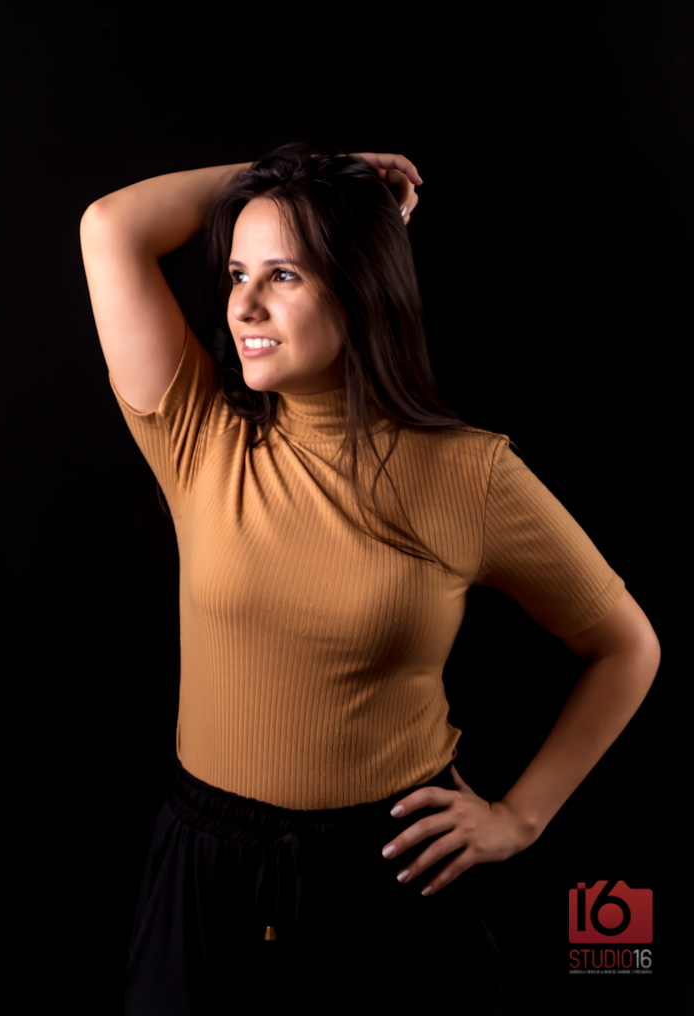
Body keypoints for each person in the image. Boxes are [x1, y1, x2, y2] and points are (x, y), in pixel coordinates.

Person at [79, 145, 660, 1014]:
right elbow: (111, 227)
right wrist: (310, 174)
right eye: (237, 273)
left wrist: (520, 818)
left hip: (387, 868)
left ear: (359, 287)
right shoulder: (200, 435)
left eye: (284, 274)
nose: (244, 304)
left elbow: (626, 647)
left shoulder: (470, 475)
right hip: (206, 866)